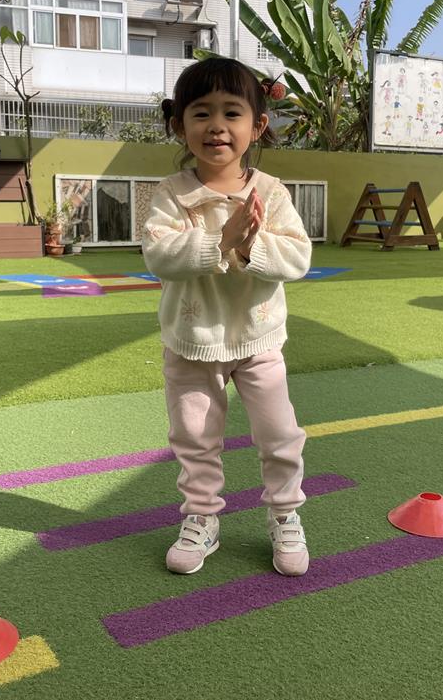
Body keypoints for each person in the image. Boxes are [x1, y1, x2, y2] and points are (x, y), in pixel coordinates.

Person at [141, 57, 313, 576]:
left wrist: (248, 244)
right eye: (202, 113)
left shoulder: (271, 193)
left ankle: (284, 513)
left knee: (279, 433)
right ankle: (202, 517)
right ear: (179, 125)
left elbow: (297, 258)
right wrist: (220, 239)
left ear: (257, 125)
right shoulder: (171, 194)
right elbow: (159, 256)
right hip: (191, 342)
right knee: (194, 438)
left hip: (259, 340)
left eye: (232, 112)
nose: (217, 125)